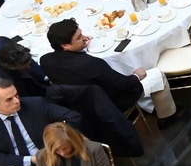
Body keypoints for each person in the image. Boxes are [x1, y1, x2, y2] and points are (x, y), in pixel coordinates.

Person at [40, 18, 176, 123]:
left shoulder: (45, 60)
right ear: (65, 45)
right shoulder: (91, 64)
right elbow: (122, 84)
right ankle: (167, 117)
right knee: (157, 74)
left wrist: (80, 46)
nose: (83, 37)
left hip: (78, 106)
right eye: (78, 38)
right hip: (110, 103)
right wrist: (136, 76)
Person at [0, 79, 81, 166]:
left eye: (16, 95)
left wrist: (59, 139)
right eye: (9, 99)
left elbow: (73, 116)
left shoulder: (36, 105)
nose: (17, 101)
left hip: (51, 160)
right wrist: (29, 160)